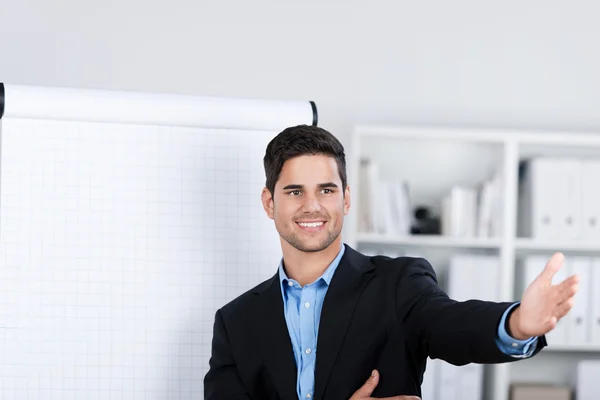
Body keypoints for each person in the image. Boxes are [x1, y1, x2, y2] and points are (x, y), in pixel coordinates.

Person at [203, 125, 580, 400]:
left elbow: (451, 322)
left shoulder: (398, 285)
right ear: (270, 203)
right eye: (295, 191)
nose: (312, 206)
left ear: (346, 199)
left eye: (326, 190)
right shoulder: (236, 323)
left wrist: (515, 324)